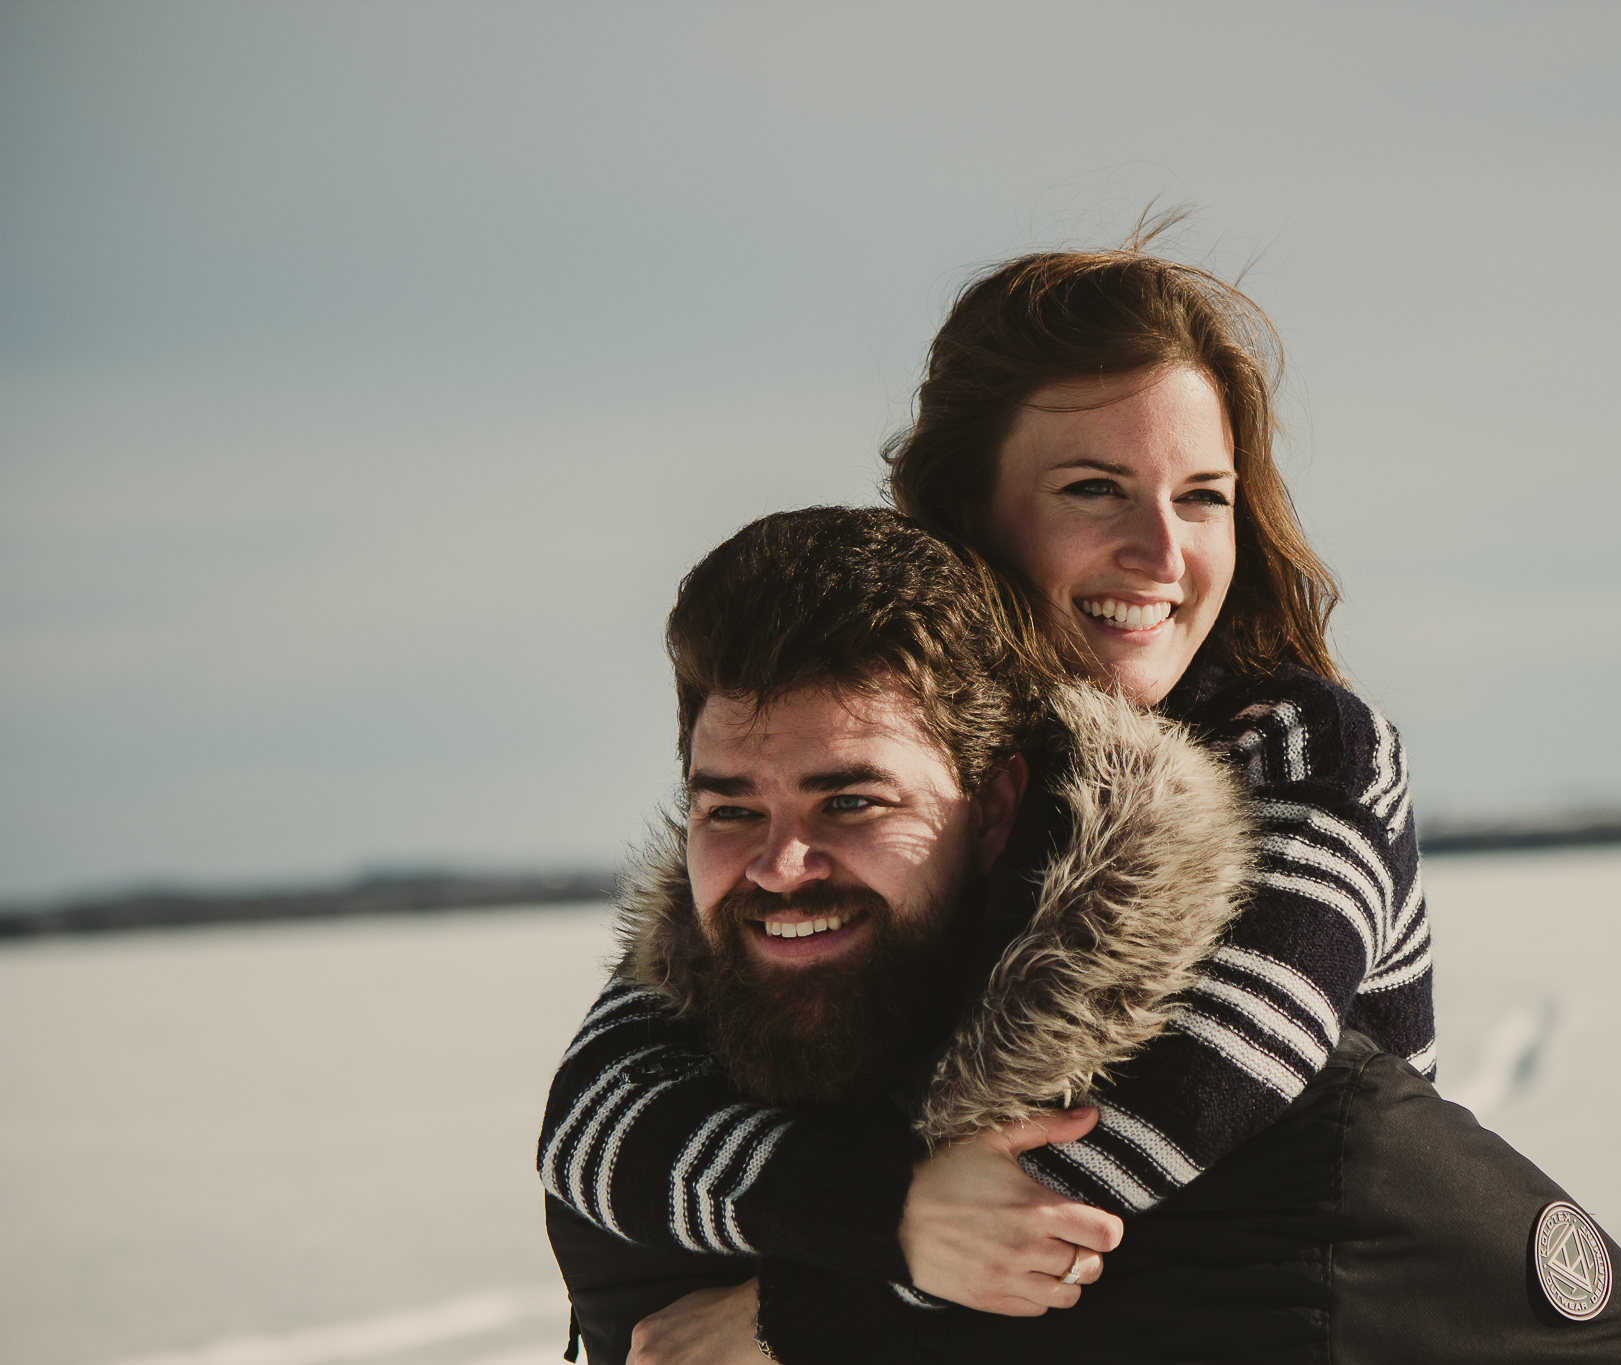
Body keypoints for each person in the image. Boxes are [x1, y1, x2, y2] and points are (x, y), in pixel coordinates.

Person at [541, 231, 1440, 1361]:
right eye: (1094, 490)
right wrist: (881, 1216)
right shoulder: (896, 776)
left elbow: (1189, 1095)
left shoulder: (1302, 747)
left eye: (1201, 498)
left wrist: (807, 1313)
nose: (1161, 550)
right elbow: (594, 1116)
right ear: (966, 519)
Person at [547, 506, 1621, 1364]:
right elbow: (580, 1132)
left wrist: (815, 1313)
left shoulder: (1278, 1133)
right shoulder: (665, 1120)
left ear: (996, 806)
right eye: (727, 809)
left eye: (852, 802)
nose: (778, 866)